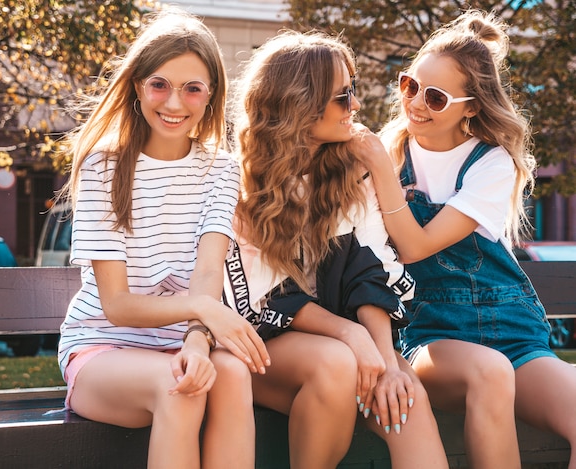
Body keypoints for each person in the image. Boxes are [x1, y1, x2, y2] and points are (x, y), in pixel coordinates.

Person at [355, 9, 576, 469]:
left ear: (471, 107)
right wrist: (379, 165)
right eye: (409, 85)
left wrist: (380, 170)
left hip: (511, 336)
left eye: (434, 97)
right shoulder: (384, 158)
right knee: (488, 373)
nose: (415, 103)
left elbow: (418, 243)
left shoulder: (493, 163)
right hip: (429, 333)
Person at [56, 7, 270, 469]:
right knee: (180, 390)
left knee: (231, 376)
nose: (174, 104)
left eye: (192, 89)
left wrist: (197, 341)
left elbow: (209, 269)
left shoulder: (221, 168)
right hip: (102, 349)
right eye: (160, 85)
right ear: (137, 86)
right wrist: (203, 312)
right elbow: (116, 304)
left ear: (211, 97)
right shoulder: (102, 166)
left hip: (181, 340)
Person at [225, 30, 448, 469]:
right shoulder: (238, 182)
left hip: (347, 349)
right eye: (343, 97)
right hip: (255, 345)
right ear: (299, 103)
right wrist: (352, 335)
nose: (357, 107)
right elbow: (263, 295)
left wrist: (384, 359)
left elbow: (371, 270)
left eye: (354, 92)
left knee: (406, 396)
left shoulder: (351, 171)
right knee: (336, 363)